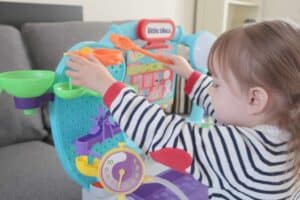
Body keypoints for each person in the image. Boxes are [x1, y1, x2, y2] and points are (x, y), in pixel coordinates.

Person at [66, 20, 299, 199]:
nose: (212, 88)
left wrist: (107, 86)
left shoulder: (246, 150)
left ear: (255, 99)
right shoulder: (284, 129)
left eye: (217, 83)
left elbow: (165, 134)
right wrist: (190, 77)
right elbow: (226, 107)